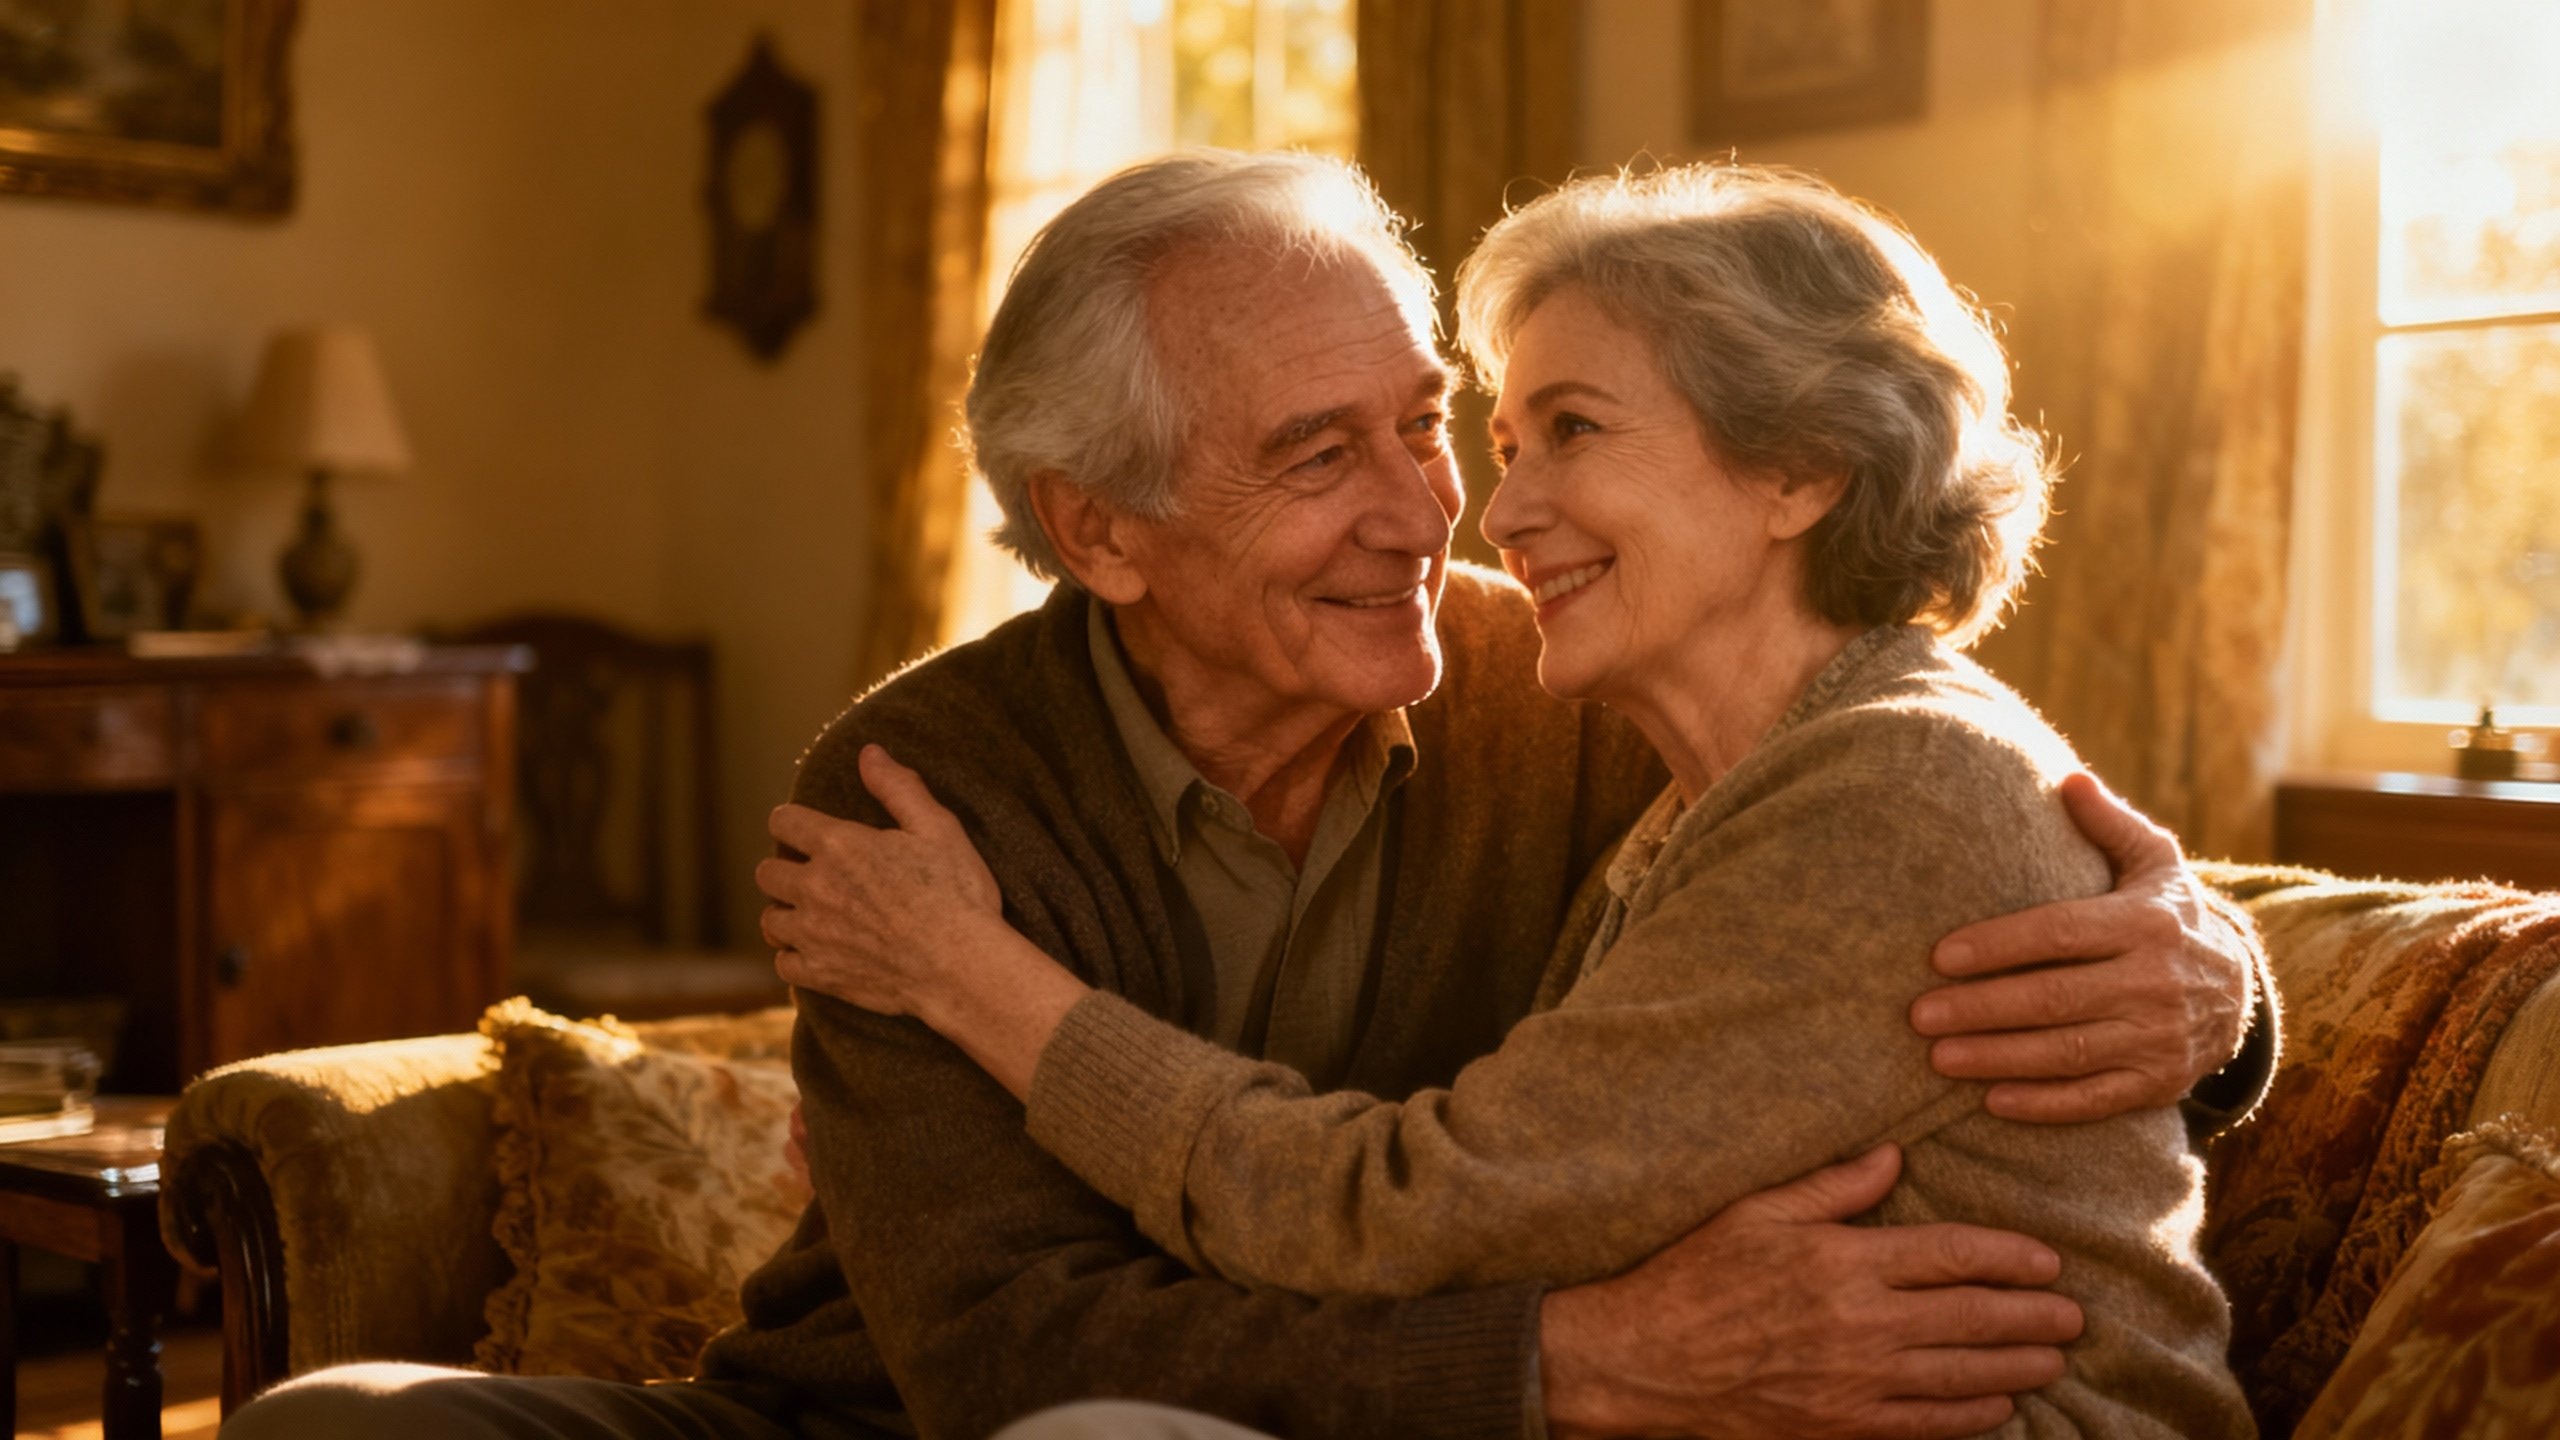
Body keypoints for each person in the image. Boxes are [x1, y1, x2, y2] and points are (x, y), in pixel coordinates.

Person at [224, 152, 2268, 1440]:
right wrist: (1574, 1366)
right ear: (1100, 534)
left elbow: (1934, 804)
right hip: (919, 1416)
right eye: (1317, 458)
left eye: (1432, 423)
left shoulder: (1573, 686)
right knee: (337, 1427)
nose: (1438, 512)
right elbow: (1004, 1361)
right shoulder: (920, 792)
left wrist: (2212, 986)